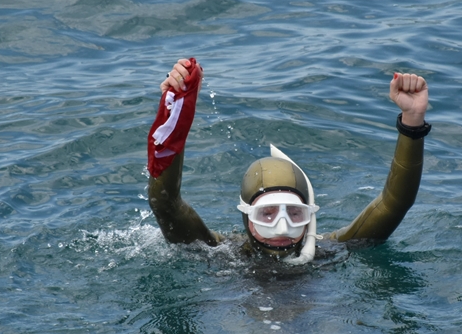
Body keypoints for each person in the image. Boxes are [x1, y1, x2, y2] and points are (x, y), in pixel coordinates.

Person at [147, 58, 430, 264]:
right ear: (246, 215)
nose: (282, 228)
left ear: (310, 215)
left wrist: (413, 120)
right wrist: (176, 109)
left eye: (295, 214)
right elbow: (165, 203)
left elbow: (395, 202)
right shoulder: (220, 253)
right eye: (267, 214)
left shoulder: (329, 250)